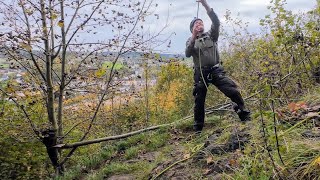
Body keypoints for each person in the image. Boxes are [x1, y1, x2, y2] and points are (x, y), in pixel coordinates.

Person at [185, 0, 250, 133]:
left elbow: (216, 22)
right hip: (200, 73)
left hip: (215, 70)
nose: (199, 24)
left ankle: (244, 113)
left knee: (232, 90)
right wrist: (193, 37)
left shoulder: (211, 35)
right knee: (199, 101)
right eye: (196, 23)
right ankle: (198, 129)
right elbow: (187, 53)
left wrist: (204, 4)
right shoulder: (190, 41)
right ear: (192, 29)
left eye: (201, 22)